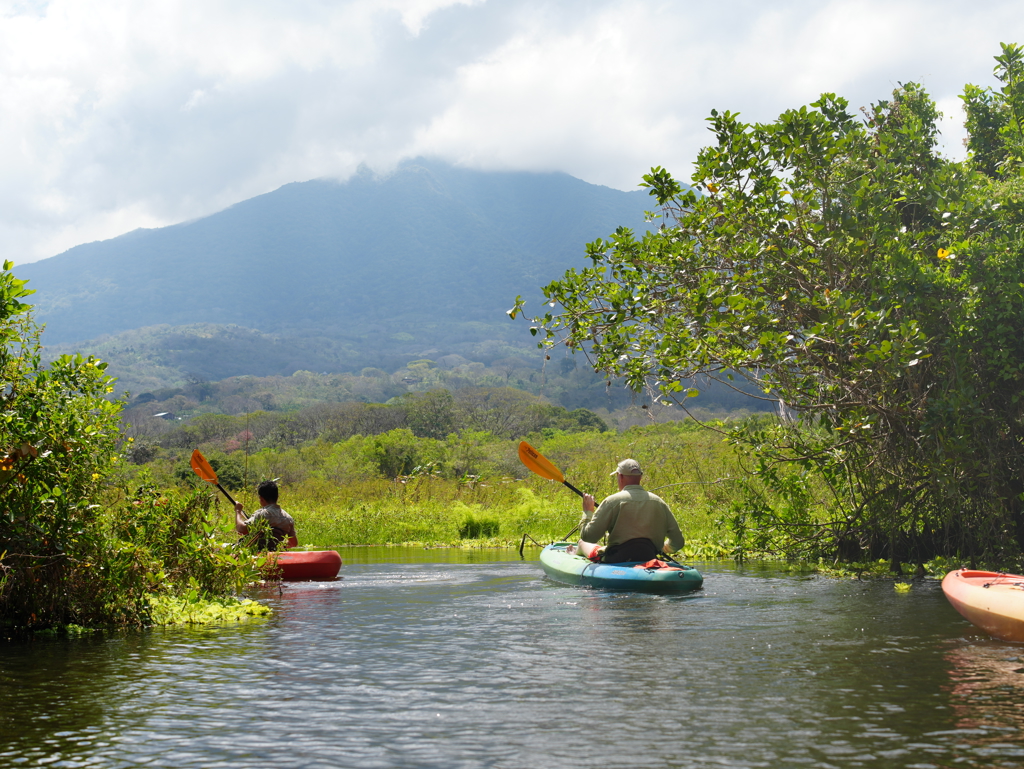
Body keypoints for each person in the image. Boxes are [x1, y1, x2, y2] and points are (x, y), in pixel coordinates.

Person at [579, 458, 684, 563]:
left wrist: (588, 512)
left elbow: (589, 537)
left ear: (620, 477)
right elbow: (678, 542)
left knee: (582, 543)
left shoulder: (611, 502)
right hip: (649, 557)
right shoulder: (659, 502)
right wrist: (662, 548)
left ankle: (574, 551)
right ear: (640, 477)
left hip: (617, 559)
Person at [234, 480, 298, 550]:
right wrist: (278, 546)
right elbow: (293, 543)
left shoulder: (262, 514)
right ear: (277, 497)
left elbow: (241, 529)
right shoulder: (288, 519)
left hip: (255, 553)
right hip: (274, 554)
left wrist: (238, 511)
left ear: (261, 498)